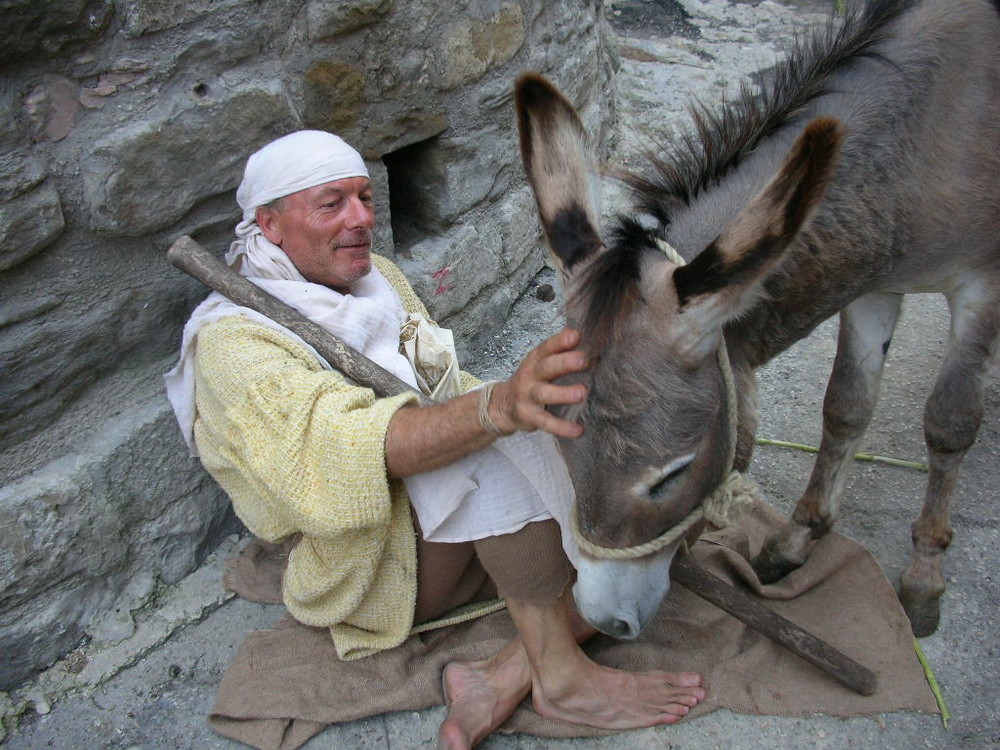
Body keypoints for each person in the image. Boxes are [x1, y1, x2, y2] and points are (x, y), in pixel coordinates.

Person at [165, 130, 705, 749]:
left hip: (443, 524)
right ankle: (559, 679)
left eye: (366, 197)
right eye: (332, 202)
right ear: (270, 223)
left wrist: (519, 407)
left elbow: (443, 386)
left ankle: (500, 677)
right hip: (373, 552)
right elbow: (343, 459)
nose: (362, 218)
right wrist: (498, 410)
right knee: (484, 459)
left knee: (639, 492)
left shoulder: (379, 279)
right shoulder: (236, 346)